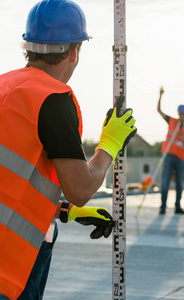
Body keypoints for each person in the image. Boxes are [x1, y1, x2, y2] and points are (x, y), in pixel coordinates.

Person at [0, 0, 137, 299]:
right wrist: (110, 144)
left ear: (28, 45)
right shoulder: (53, 98)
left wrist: (66, 211)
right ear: (75, 51)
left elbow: (9, 179)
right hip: (8, 267)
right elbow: (80, 187)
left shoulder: (4, 86)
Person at [157, 86, 184, 215]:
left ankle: (177, 207)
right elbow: (159, 110)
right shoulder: (172, 122)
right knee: (165, 182)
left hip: (182, 159)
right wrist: (161, 95)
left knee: (180, 184)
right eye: (180, 113)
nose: (181, 115)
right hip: (169, 156)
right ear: (178, 113)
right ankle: (163, 207)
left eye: (183, 113)